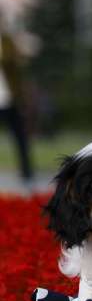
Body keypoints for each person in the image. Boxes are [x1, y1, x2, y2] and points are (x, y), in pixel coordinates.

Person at [0, 12, 35, 189]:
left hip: (9, 99)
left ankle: (27, 171)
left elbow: (17, 67)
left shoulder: (7, 41)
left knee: (20, 136)